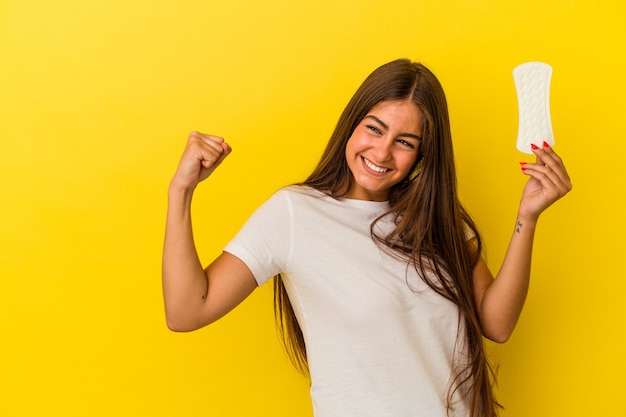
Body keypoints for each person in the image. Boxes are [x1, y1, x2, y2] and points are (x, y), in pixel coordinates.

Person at [162, 59, 572, 417]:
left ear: (423, 154)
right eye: (374, 129)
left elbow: (497, 324)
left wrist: (527, 218)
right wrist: (180, 191)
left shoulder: (435, 219)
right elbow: (186, 312)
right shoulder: (294, 213)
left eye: (405, 143)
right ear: (351, 124)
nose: (381, 153)